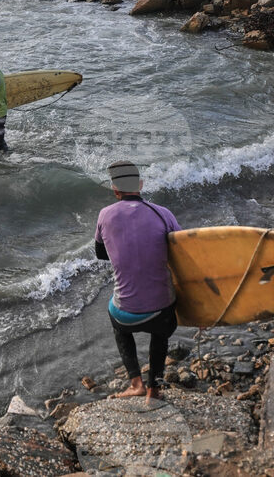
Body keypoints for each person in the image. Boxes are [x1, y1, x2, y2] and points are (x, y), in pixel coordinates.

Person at [95, 161, 180, 400]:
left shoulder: (104, 215)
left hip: (125, 317)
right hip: (162, 315)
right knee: (161, 332)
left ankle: (135, 383)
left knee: (114, 314)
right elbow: (184, 254)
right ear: (140, 185)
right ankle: (154, 387)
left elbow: (101, 254)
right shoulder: (163, 213)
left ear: (115, 190)